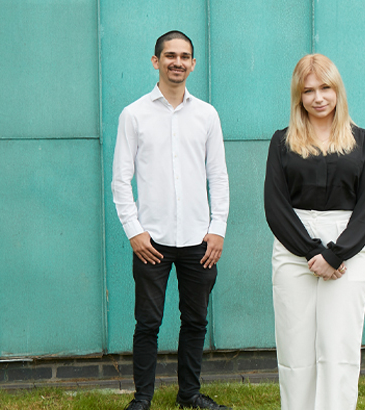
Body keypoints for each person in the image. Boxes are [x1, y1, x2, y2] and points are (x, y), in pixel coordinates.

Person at [111, 30, 231, 410]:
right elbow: (120, 179)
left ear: (193, 64)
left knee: (195, 323)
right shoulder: (134, 115)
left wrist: (218, 229)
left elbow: (219, 177)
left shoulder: (207, 115)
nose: (177, 62)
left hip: (199, 240)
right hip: (152, 242)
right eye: (169, 55)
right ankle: (142, 398)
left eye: (184, 56)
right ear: (156, 61)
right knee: (148, 324)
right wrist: (134, 231)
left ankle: (189, 395)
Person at [264, 54, 365, 410]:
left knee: (338, 346)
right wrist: (311, 251)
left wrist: (335, 254)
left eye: (325, 87)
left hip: (348, 249)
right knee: (295, 347)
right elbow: (275, 205)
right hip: (294, 248)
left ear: (337, 89)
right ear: (298, 96)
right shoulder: (282, 141)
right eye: (308, 90)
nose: (318, 97)